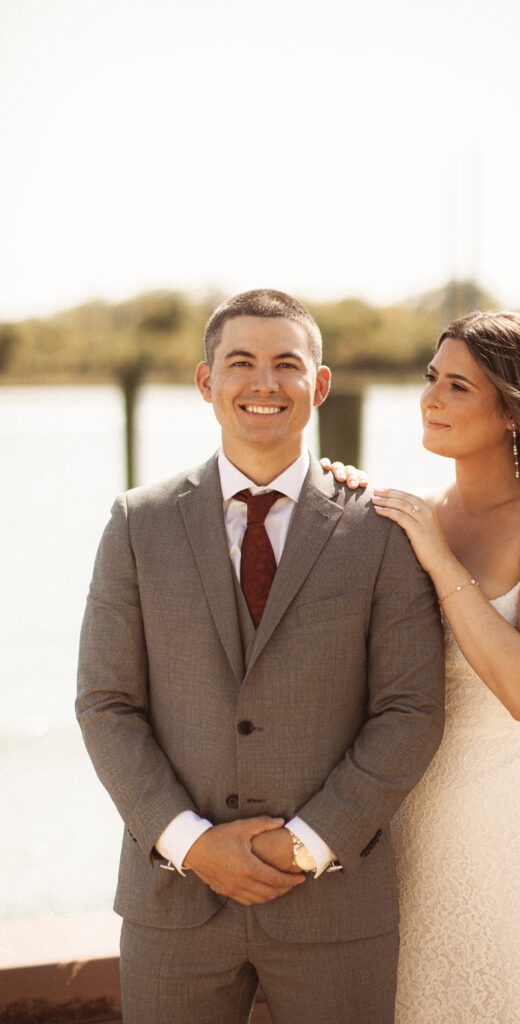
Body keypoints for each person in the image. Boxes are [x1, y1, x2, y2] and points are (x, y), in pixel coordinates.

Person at [76, 289, 445, 1024]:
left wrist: (305, 845)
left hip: (335, 905)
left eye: (286, 364)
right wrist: (191, 844)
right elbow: (105, 704)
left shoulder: (383, 530)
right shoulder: (135, 523)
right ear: (207, 381)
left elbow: (409, 712)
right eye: (240, 363)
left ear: (320, 383)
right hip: (173, 902)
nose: (264, 384)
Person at [327, 310, 520, 1023]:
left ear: (510, 410)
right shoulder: (410, 511)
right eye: (430, 378)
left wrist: (436, 558)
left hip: (517, 823)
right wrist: (335, 500)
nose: (429, 399)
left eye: (457, 386)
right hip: (411, 826)